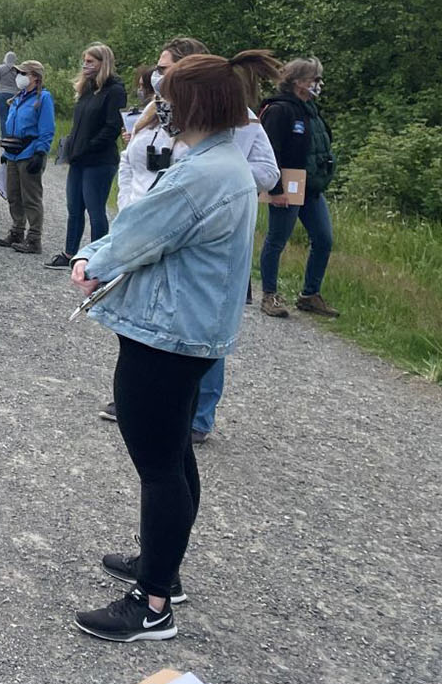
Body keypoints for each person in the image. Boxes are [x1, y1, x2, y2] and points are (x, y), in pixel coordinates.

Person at [70, 51, 280, 642]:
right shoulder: (225, 162)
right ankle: (163, 567)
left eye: (169, 97)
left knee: (159, 466)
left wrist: (89, 258)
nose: (161, 106)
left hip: (167, 334)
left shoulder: (199, 174)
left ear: (193, 104)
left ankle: (152, 605)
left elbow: (140, 231)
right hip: (193, 330)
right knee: (174, 458)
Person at [108, 42, 280, 441]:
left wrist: (208, 199)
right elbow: (131, 159)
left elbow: (263, 173)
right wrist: (133, 203)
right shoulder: (158, 113)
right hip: (148, 228)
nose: (158, 78)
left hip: (185, 249)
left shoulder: (223, 143)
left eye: (167, 69)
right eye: (158, 69)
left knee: (197, 333)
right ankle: (157, 405)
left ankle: (197, 416)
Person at [258, 57, 339, 320]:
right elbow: (270, 151)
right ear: (299, 82)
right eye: (315, 79)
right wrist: (275, 188)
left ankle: (309, 294)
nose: (319, 84)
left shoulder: (310, 109)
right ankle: (269, 294)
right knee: (277, 239)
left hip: (311, 186)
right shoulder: (280, 110)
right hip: (287, 185)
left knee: (324, 238)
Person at [45, 44, 127, 270]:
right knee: (74, 207)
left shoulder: (115, 91)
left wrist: (88, 147)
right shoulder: (87, 88)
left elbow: (112, 127)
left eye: (91, 61)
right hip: (79, 158)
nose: (86, 65)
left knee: (95, 209)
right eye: (85, 61)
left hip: (99, 160)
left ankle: (97, 256)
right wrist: (71, 145)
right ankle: (70, 252)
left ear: (103, 63)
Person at [0, 60, 53, 254]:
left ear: (35, 76)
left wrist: (40, 151)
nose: (19, 76)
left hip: (29, 152)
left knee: (31, 197)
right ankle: (17, 230)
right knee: (13, 194)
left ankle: (34, 238)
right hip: (13, 151)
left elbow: (47, 128)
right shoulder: (19, 97)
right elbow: (12, 125)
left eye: (23, 73)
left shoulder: (43, 98)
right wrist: (5, 151)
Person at [0, 50, 20, 122]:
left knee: (3, 117)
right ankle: (12, 132)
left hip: (1, 94)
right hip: (14, 95)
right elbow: (20, 84)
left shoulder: (0, 68)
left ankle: (4, 133)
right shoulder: (18, 69)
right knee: (13, 116)